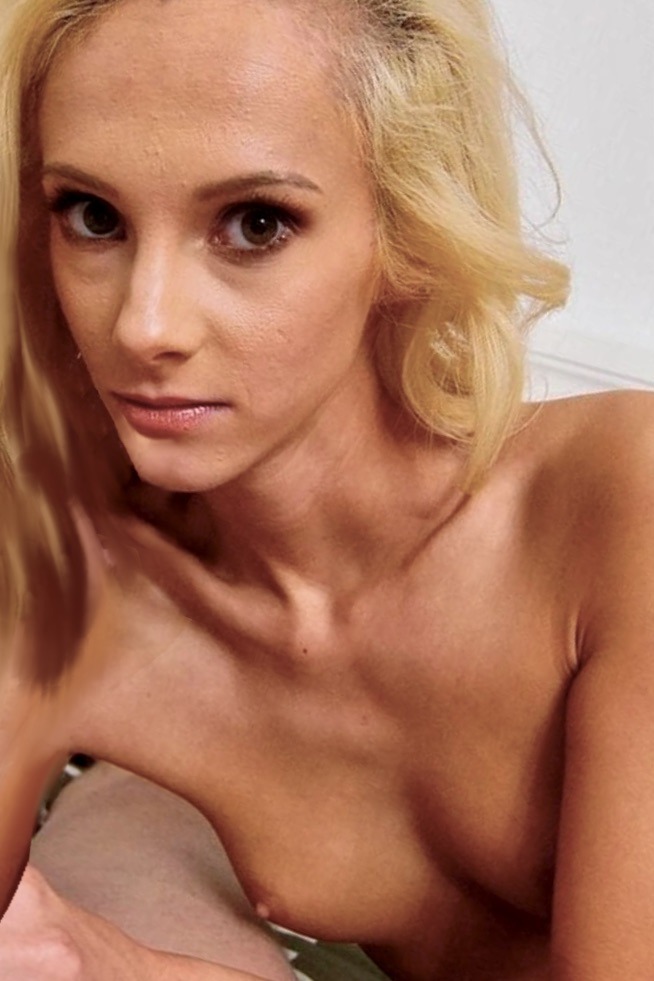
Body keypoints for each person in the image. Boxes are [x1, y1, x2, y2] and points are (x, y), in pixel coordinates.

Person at [0, 0, 653, 978]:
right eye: (94, 217)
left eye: (255, 224)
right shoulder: (69, 588)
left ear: (406, 229)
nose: (145, 325)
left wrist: (117, 960)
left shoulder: (620, 502)